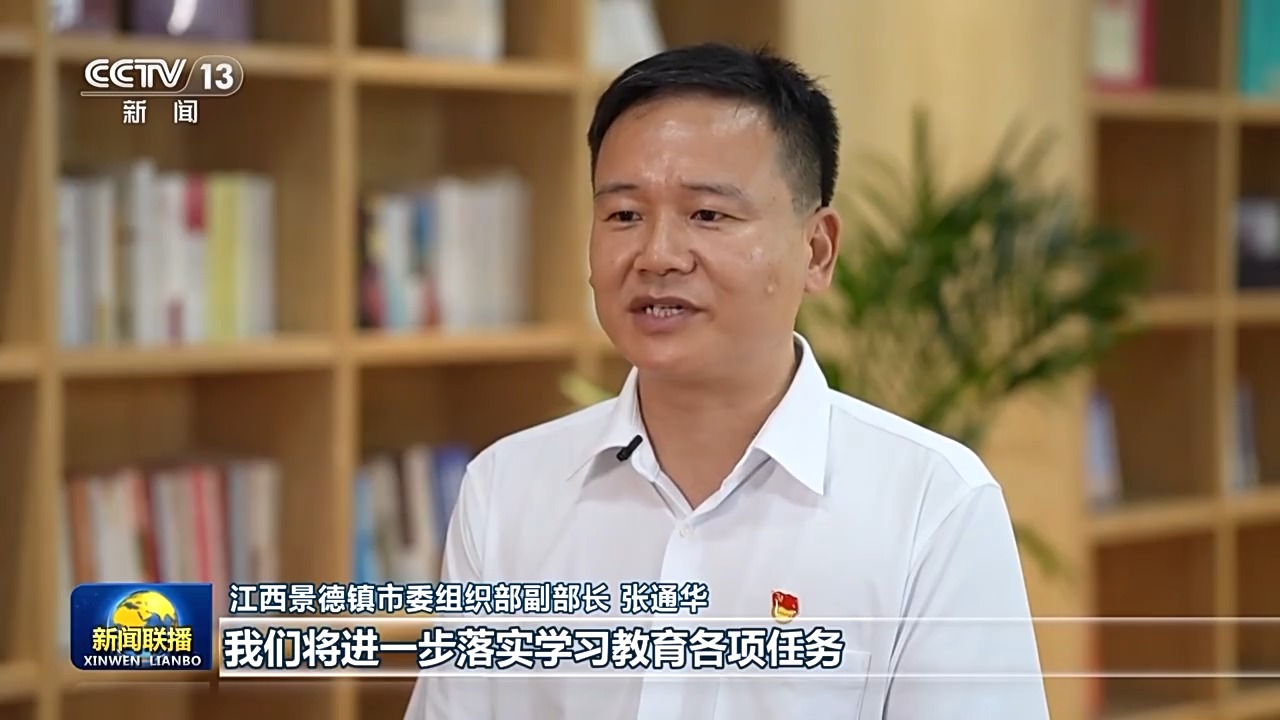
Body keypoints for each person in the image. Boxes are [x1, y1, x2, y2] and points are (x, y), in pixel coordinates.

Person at [404, 42, 1049, 720]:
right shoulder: (506, 491)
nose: (657, 256)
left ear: (817, 250)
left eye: (708, 215)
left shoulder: (931, 506)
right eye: (624, 215)